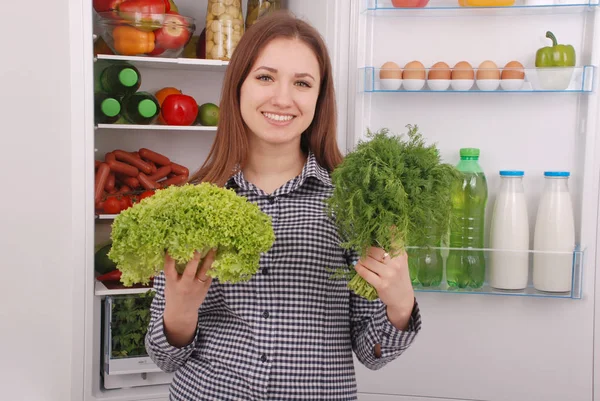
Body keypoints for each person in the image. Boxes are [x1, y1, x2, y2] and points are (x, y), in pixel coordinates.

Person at [145, 10, 421, 401]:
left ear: (319, 98)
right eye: (265, 77)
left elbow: (371, 352)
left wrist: (401, 304)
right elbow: (165, 357)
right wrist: (180, 313)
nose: (282, 98)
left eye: (302, 83)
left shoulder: (355, 204)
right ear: (238, 86)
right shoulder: (192, 202)